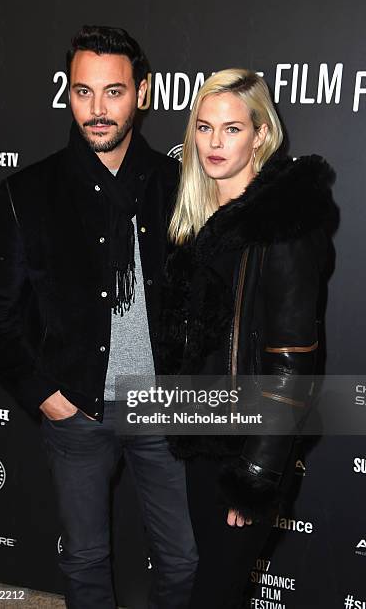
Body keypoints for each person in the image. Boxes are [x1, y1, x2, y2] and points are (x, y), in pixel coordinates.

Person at [0, 25, 197, 609]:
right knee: (86, 560)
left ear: (142, 93)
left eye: (114, 92)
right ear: (67, 94)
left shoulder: (180, 187)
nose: (98, 110)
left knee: (183, 561)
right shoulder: (28, 192)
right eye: (83, 92)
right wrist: (42, 391)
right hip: (74, 410)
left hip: (165, 410)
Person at [160, 69, 333, 608]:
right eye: (204, 128)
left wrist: (255, 473)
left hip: (247, 448)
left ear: (260, 134)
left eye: (231, 129)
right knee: (218, 584)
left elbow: (292, 360)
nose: (214, 143)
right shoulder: (196, 211)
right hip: (203, 433)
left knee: (214, 592)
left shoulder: (283, 222)